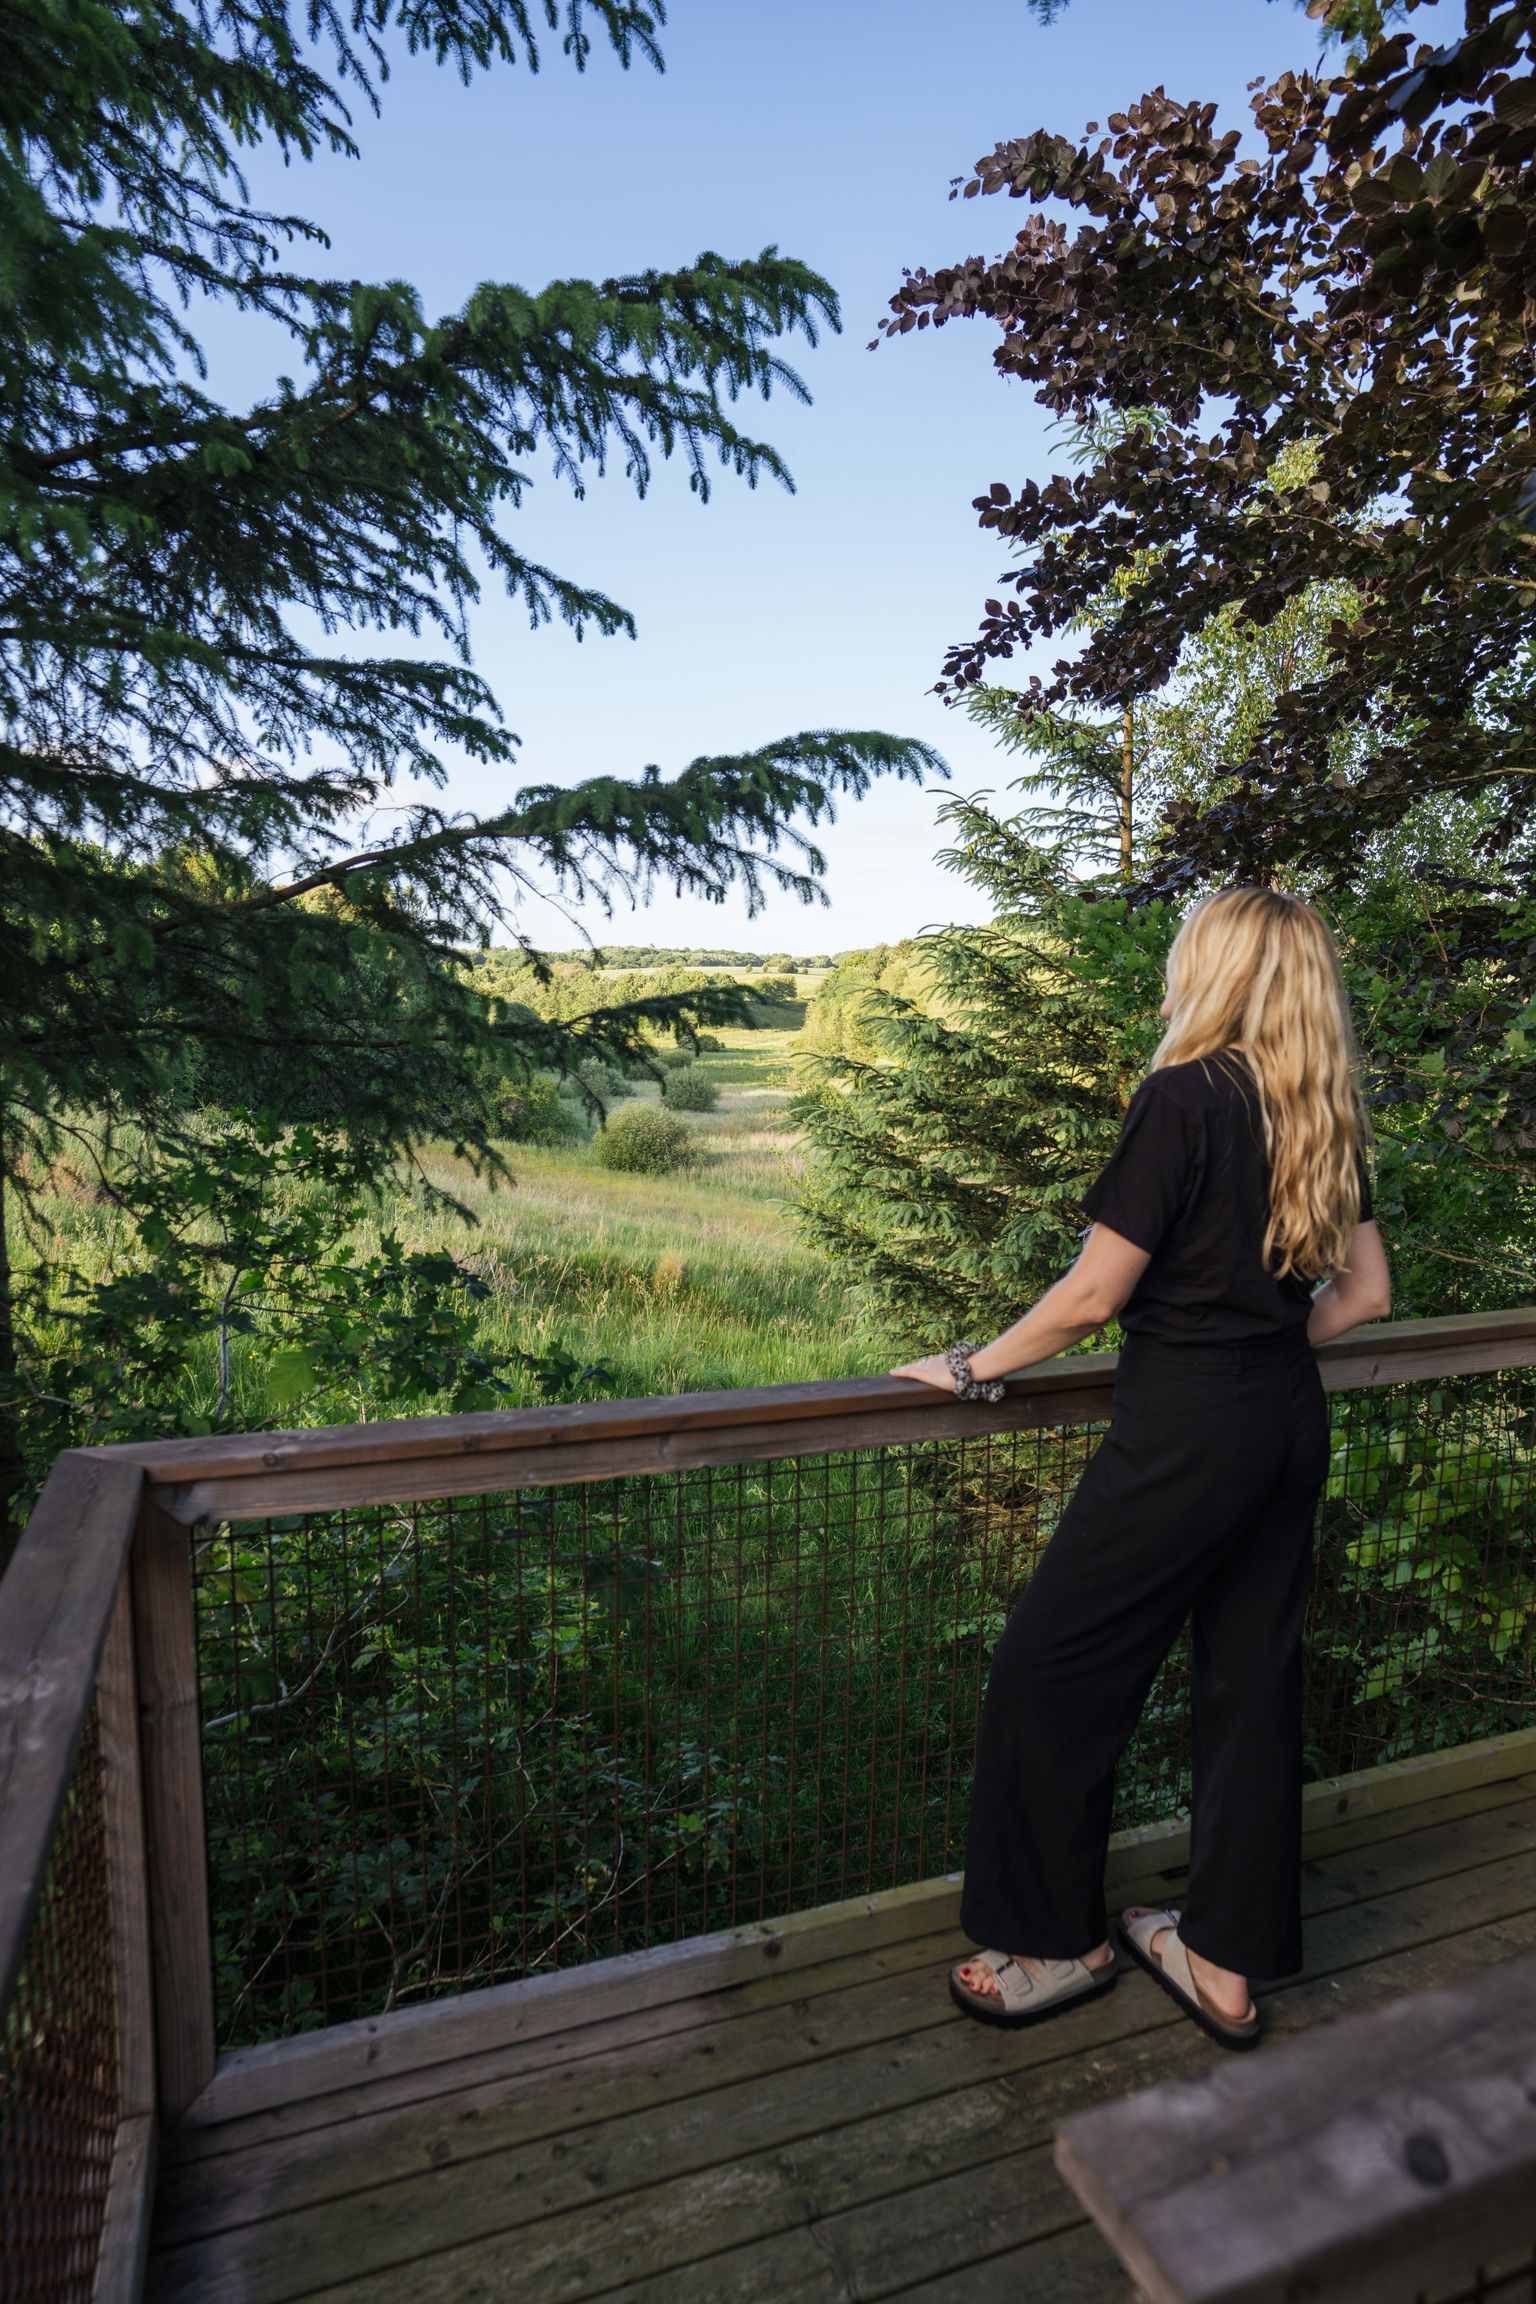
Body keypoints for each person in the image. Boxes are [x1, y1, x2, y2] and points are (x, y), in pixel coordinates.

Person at [891, 887, 1392, 2050]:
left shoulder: (1183, 1099)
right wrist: (1261, 1350)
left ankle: (1053, 1947)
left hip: (1184, 1435)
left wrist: (974, 1368)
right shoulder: (1323, 1110)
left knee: (1047, 1671)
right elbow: (1364, 1296)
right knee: (1250, 1684)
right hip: (1283, 1420)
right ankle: (1222, 1965)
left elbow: (1093, 1295)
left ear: (1210, 973)